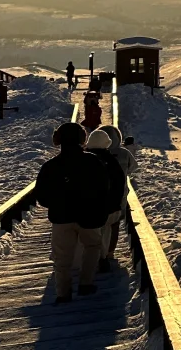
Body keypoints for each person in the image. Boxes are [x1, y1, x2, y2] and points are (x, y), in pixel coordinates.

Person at [34, 122, 121, 303]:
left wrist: (57, 204)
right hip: (90, 216)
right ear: (82, 139)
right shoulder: (94, 162)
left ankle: (63, 293)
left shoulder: (50, 166)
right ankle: (86, 283)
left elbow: (41, 196)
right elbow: (105, 189)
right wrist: (99, 208)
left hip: (61, 218)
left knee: (62, 257)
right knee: (92, 247)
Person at [86, 127, 134, 271]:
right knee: (112, 227)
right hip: (115, 202)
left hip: (91, 203)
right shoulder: (122, 154)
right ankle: (108, 253)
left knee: (93, 230)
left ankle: (94, 257)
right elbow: (131, 169)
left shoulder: (86, 156)